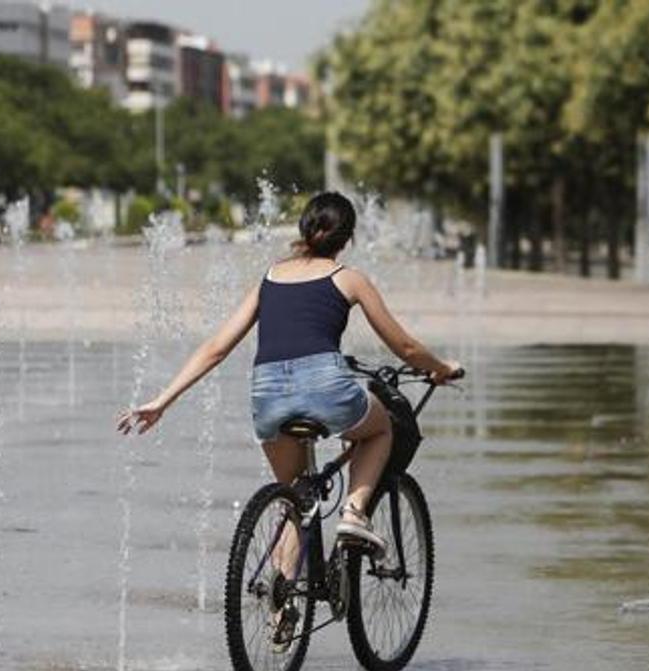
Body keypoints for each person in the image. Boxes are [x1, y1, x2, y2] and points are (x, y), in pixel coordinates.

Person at [116, 191, 460, 557]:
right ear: (347, 239)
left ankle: (280, 609)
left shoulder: (269, 278)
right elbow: (405, 348)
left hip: (267, 397)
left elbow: (217, 347)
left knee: (297, 500)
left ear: (304, 228)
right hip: (326, 386)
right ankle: (354, 513)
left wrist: (162, 401)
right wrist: (441, 369)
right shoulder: (350, 278)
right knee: (380, 428)